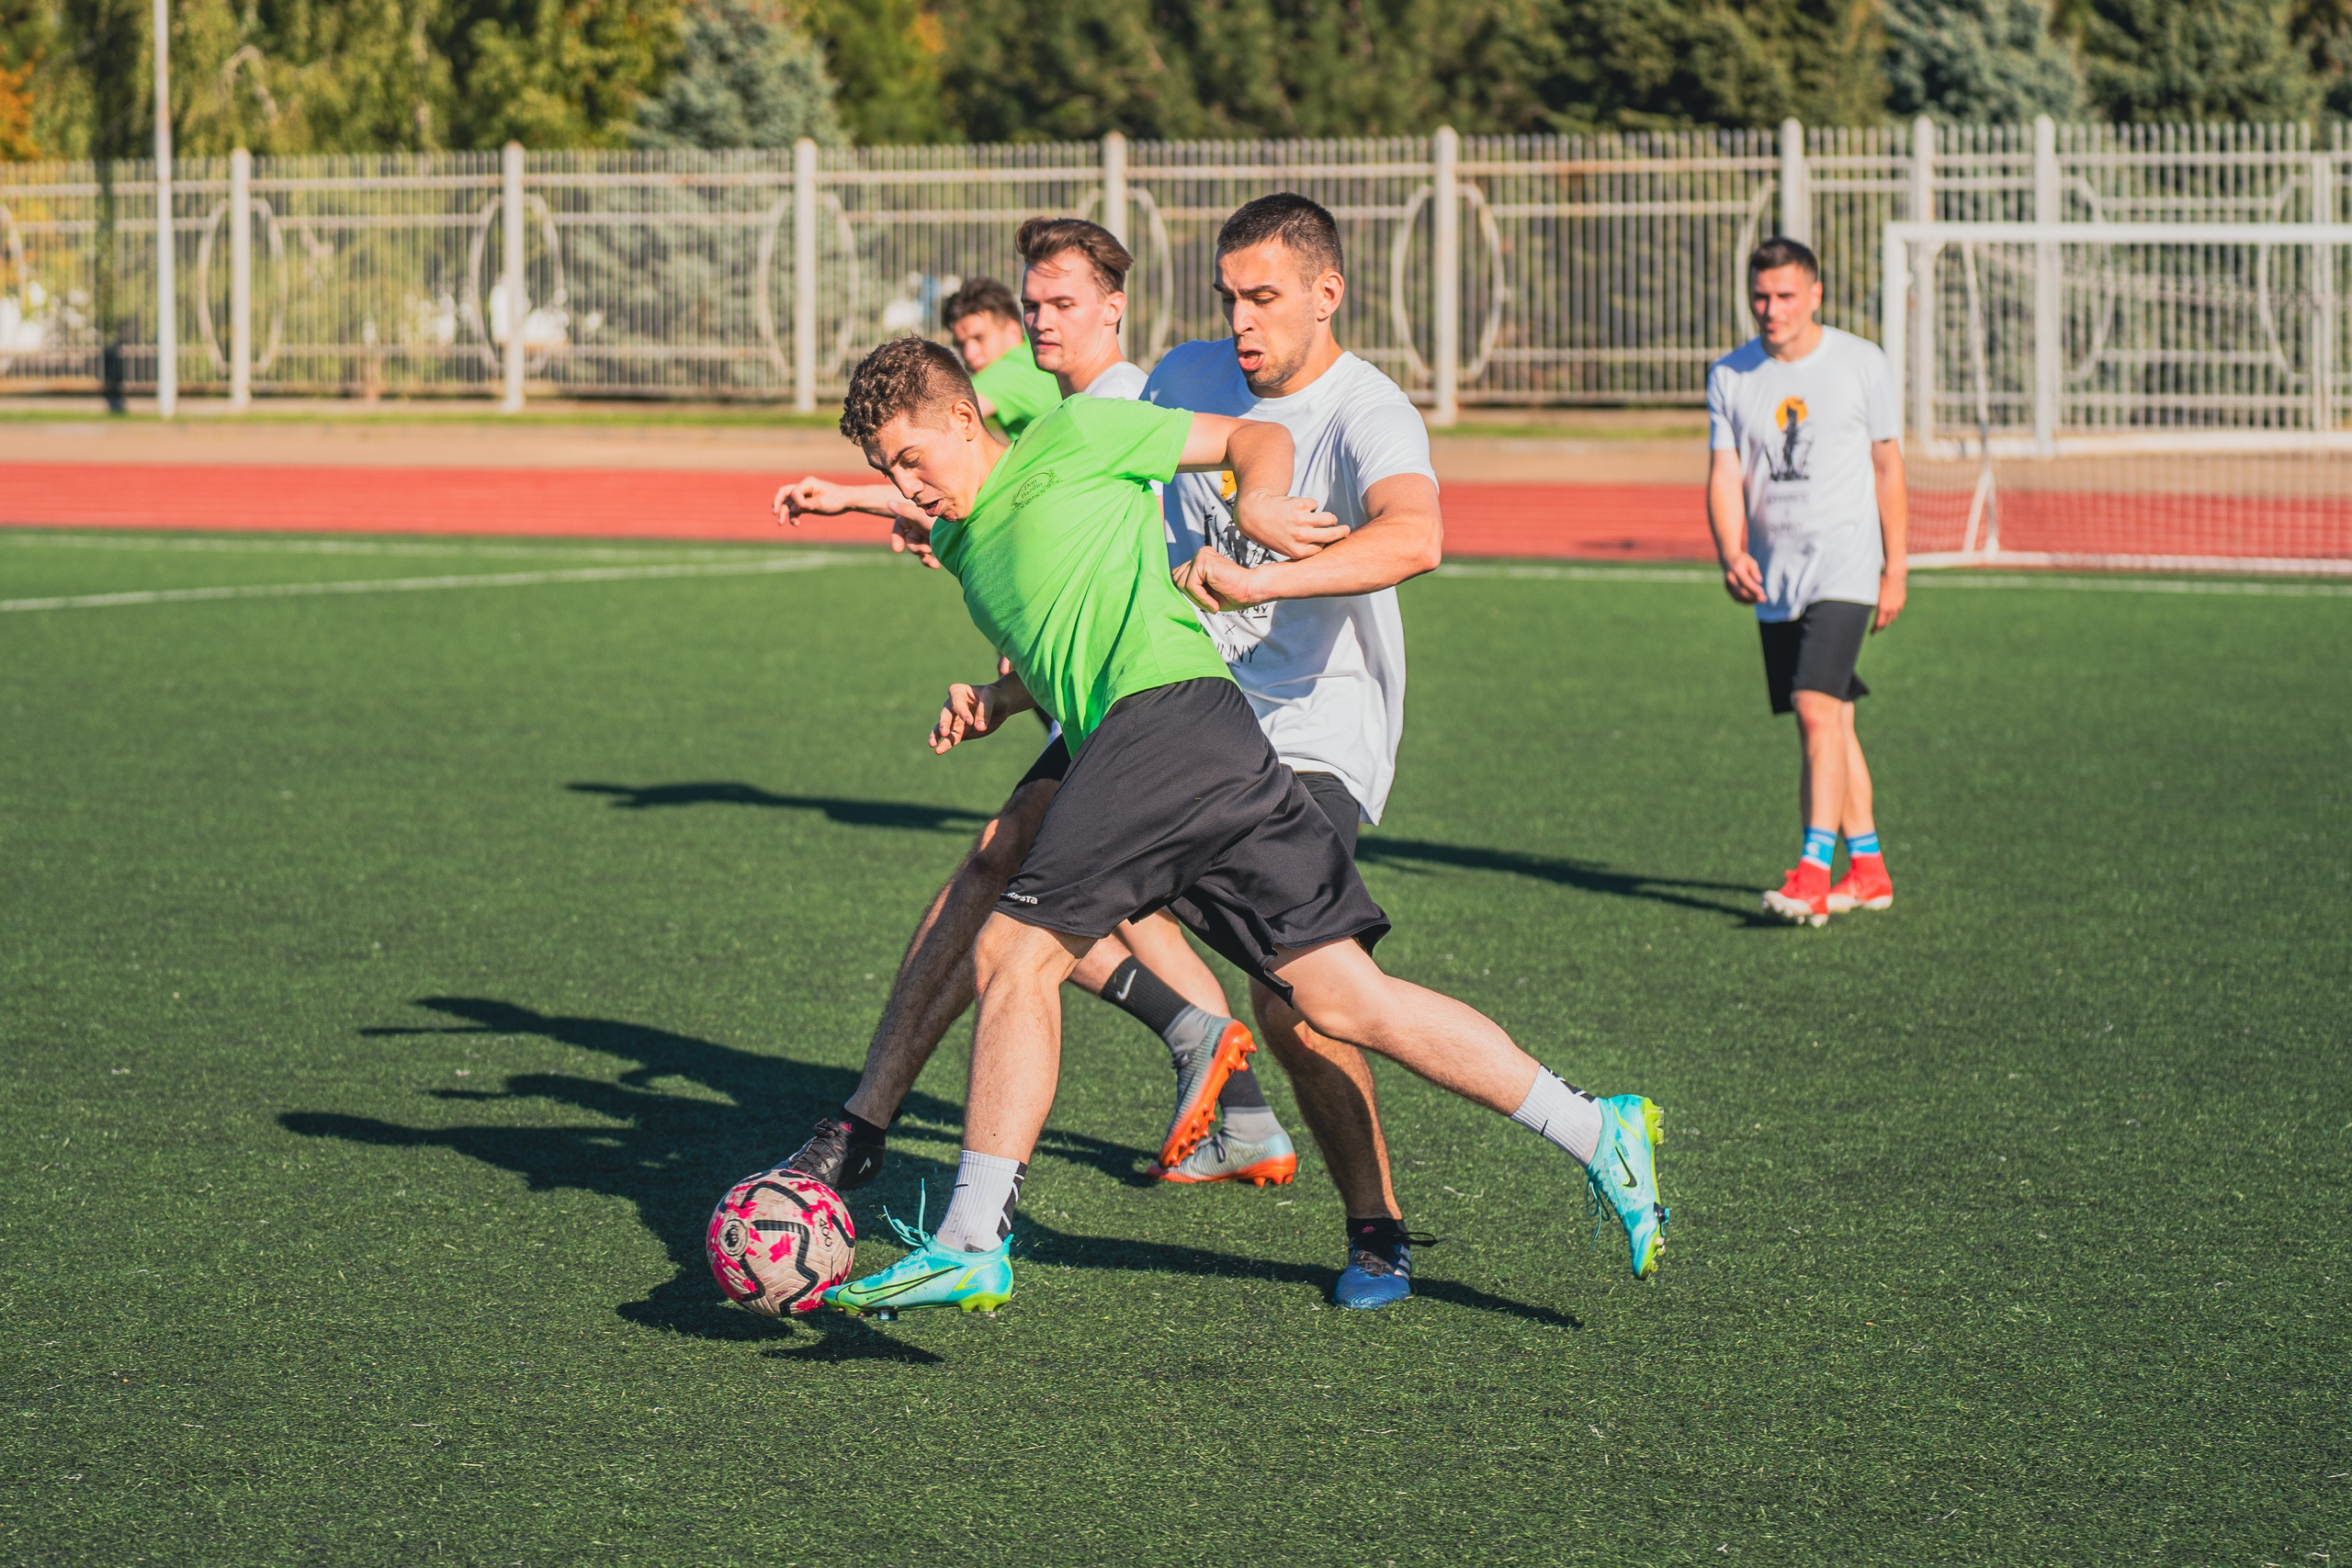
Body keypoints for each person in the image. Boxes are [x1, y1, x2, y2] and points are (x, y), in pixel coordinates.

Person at [816, 336, 1669, 1319]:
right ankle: (1596, 1127)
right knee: (1345, 1001)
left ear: (966, 420)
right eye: (883, 471)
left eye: (910, 458)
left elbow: (1254, 438)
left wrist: (1257, 501)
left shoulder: (1080, 431)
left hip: (1164, 721)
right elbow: (1063, 632)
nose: (904, 483)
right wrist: (1003, 699)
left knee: (1013, 950)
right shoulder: (962, 546)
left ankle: (970, 1241)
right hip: (1203, 746)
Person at [772, 218, 1311, 1191]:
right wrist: (997, 677)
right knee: (1041, 878)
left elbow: (1078, 504)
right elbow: (983, 494)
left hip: (1163, 690)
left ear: (1112, 305)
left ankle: (905, 1156)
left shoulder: (1107, 404)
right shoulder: (1052, 407)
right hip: (1105, 694)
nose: (1036, 323)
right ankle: (1234, 1100)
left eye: (1060, 303)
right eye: (1030, 304)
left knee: (1023, 915)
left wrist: (1257, 515)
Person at [1140, 192, 1446, 1306]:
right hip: (1188, 713)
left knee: (1296, 992)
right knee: (1036, 886)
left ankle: (1377, 1226)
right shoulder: (1182, 377)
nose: (1242, 322)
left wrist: (1263, 576)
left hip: (1319, 732)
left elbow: (1415, 537)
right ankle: (1217, 1084)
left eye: (1264, 298)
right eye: (1230, 298)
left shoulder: (1369, 411)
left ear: (1328, 294)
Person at [1704, 236, 1908, 927]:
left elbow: (1888, 467)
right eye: (1761, 295)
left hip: (1847, 565)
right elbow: (1726, 471)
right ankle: (1870, 868)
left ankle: (1814, 871)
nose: (1772, 309)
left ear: (1815, 294)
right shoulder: (1730, 374)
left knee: (1818, 708)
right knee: (1831, 721)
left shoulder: (1860, 362)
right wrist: (1731, 549)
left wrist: (1896, 566)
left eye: (1786, 295)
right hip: (1776, 576)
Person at [941, 276, 1061, 439]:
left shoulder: (1009, 373)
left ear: (1012, 332)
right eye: (961, 344)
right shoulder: (1029, 358)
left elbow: (934, 421)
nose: (969, 354)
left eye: (979, 338)